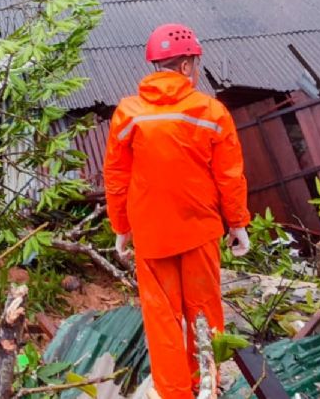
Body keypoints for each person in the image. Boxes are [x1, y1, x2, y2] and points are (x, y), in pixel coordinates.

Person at [104, 23, 251, 398]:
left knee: (162, 321)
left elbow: (117, 177)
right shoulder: (211, 112)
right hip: (199, 232)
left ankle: (174, 392)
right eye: (195, 64)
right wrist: (237, 224)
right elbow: (229, 176)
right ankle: (207, 385)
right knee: (204, 313)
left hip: (151, 237)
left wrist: (121, 227)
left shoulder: (129, 114)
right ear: (186, 66)